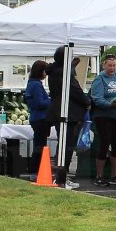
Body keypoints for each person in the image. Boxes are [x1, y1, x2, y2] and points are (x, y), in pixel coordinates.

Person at [88, 53, 116, 187]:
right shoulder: (99, 79)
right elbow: (97, 98)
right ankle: (99, 175)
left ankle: (114, 175)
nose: (112, 68)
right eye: (109, 65)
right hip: (104, 116)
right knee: (105, 143)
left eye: (114, 66)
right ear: (104, 65)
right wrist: (109, 104)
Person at [49, 47, 88, 189]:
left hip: (61, 112)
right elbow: (74, 90)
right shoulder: (63, 74)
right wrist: (87, 102)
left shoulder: (54, 72)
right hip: (68, 113)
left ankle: (62, 177)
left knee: (63, 145)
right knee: (66, 146)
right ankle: (61, 179)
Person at [26, 59, 52, 171]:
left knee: (39, 144)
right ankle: (35, 168)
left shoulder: (31, 83)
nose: (46, 74)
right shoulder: (36, 85)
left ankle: (35, 168)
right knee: (40, 145)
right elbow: (40, 103)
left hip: (36, 118)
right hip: (40, 118)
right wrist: (52, 101)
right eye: (44, 71)